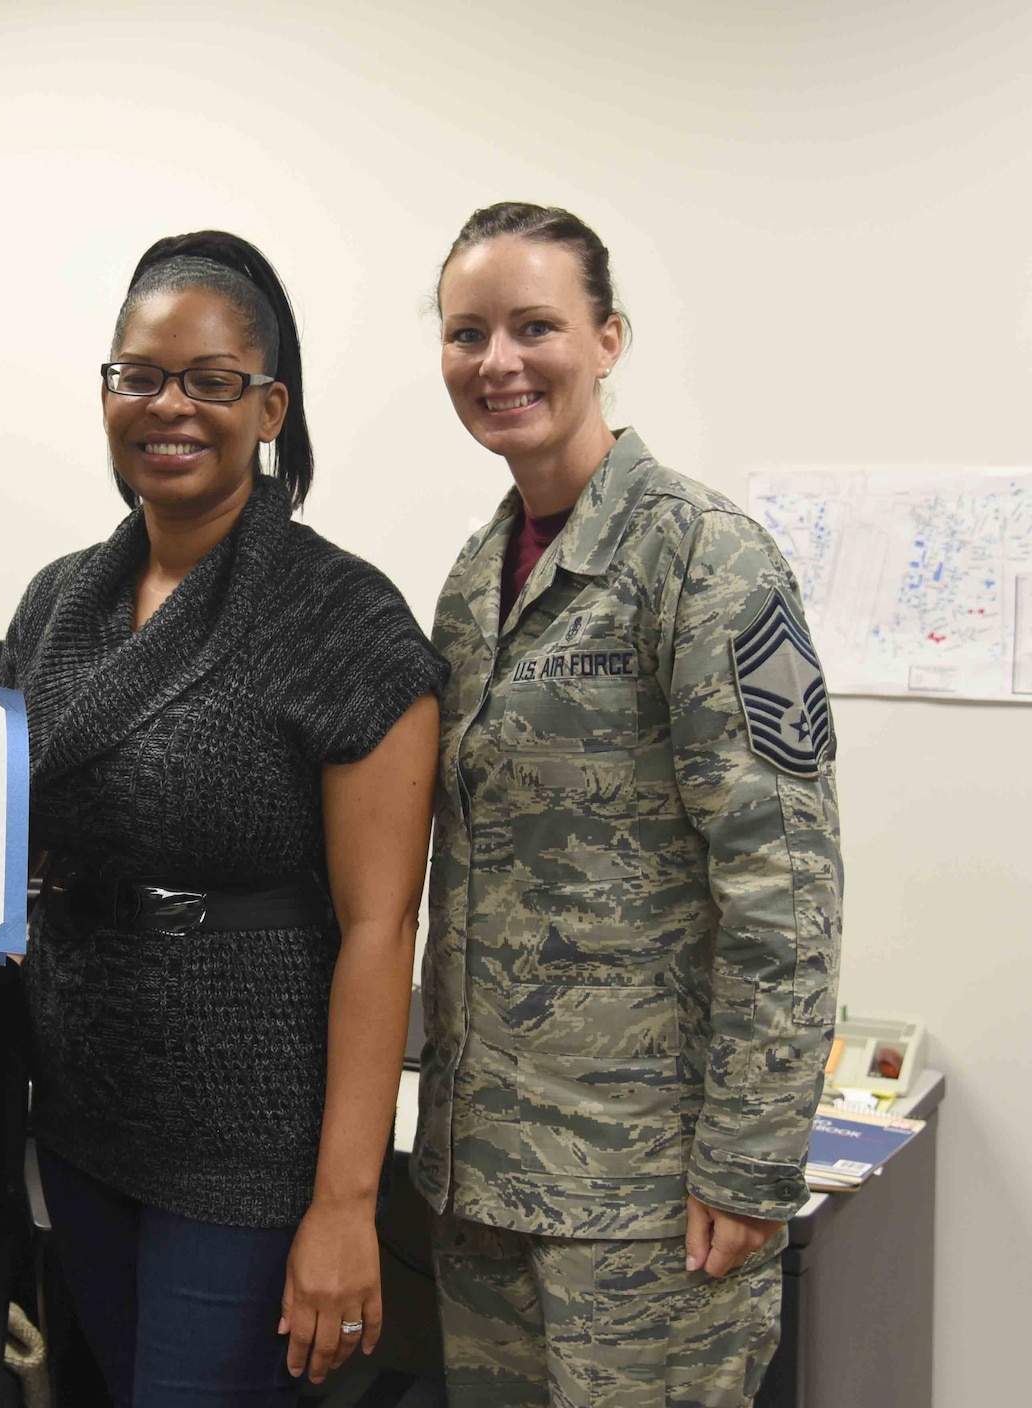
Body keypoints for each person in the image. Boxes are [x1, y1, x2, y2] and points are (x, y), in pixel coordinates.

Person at [0, 231, 445, 1406]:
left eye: (210, 381)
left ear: (268, 408)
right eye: (138, 375)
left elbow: (378, 928)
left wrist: (346, 1204)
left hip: (247, 1138)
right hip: (86, 1114)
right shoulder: (57, 601)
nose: (169, 407)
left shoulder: (339, 617)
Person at [415, 202, 842, 1408]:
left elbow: (785, 881)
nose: (497, 362)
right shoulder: (472, 579)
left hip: (648, 1204)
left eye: (533, 326)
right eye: (466, 334)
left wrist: (752, 1160)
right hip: (484, 1186)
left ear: (606, 340)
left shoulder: (703, 558)